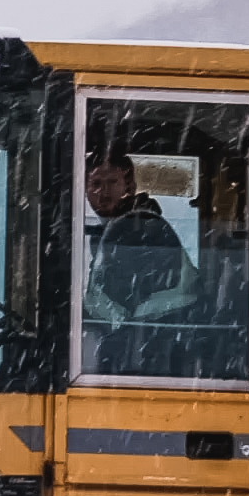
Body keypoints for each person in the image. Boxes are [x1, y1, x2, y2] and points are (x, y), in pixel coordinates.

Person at [82, 147, 193, 373]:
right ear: (85, 190)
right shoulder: (112, 228)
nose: (103, 191)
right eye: (95, 184)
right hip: (141, 340)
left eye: (112, 182)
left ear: (129, 187)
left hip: (150, 345)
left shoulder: (141, 227)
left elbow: (124, 300)